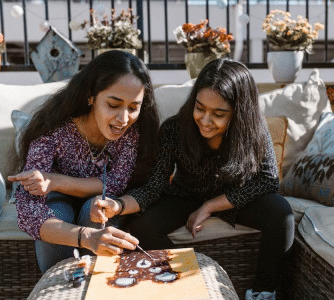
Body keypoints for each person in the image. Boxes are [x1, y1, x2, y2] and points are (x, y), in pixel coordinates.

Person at [89, 58, 295, 300]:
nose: (205, 121)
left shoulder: (254, 129)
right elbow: (154, 186)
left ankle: (263, 293)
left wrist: (211, 206)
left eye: (218, 114)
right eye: (200, 108)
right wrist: (119, 205)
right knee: (143, 224)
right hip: (186, 195)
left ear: (239, 113)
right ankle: (195, 281)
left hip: (234, 196)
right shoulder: (174, 129)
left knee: (281, 212)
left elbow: (268, 180)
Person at [8, 50, 160, 273]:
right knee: (57, 211)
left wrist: (56, 180)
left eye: (133, 108)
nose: (124, 118)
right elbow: (29, 211)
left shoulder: (133, 133)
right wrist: (85, 237)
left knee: (98, 206)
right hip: (57, 204)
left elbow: (117, 184)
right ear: (91, 96)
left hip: (97, 201)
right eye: (114, 104)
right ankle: (60, 289)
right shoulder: (53, 128)